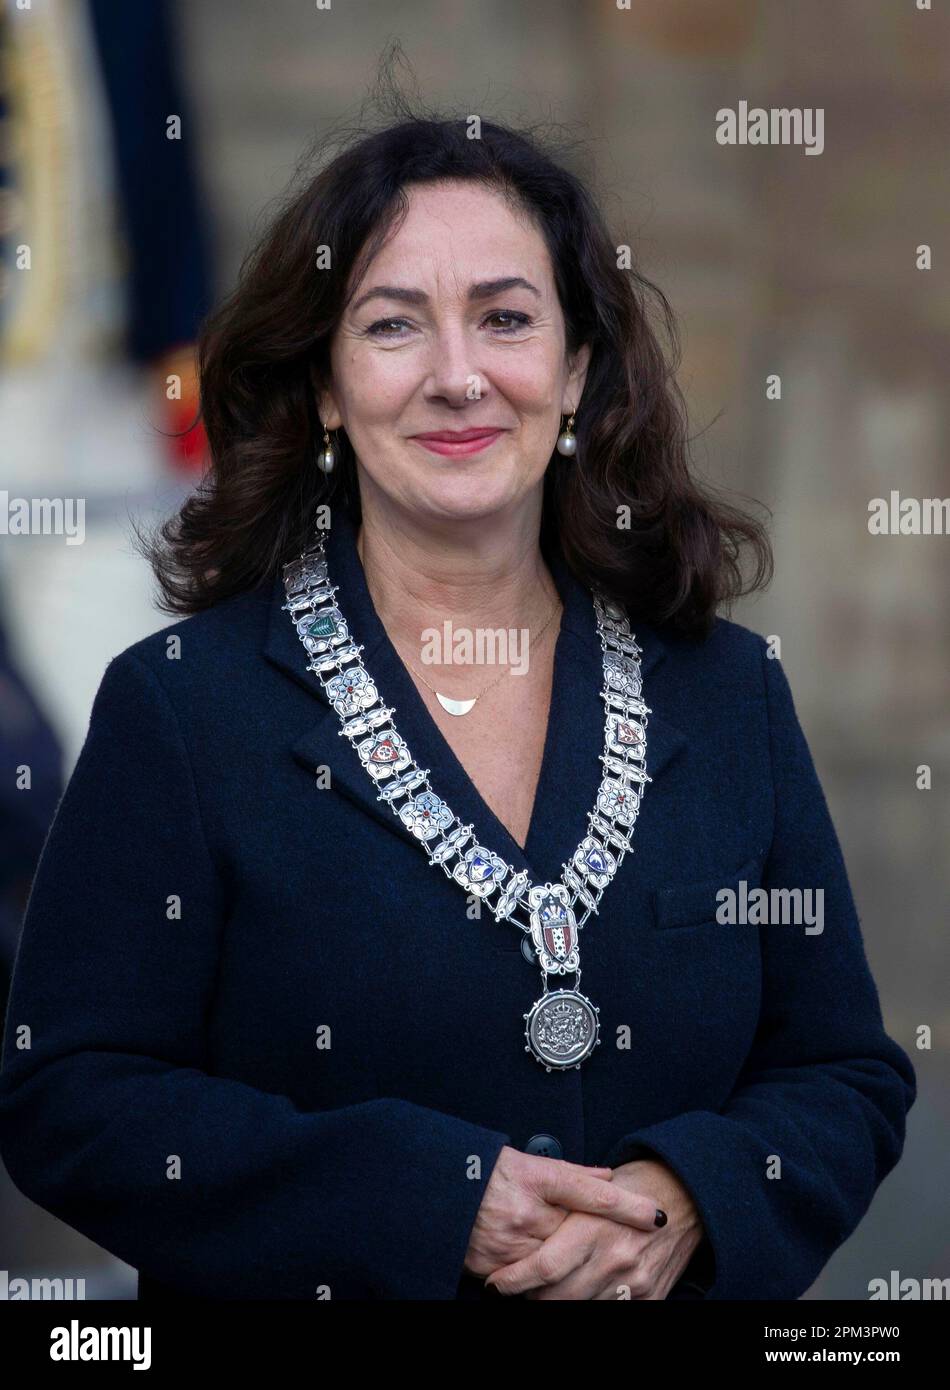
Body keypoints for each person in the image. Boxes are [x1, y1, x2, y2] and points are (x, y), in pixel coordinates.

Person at [0, 112, 915, 1301]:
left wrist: (695, 1195)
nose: (458, 374)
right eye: (392, 325)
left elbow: (841, 1072)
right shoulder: (183, 711)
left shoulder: (728, 692)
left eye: (504, 316)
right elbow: (69, 1097)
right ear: (325, 389)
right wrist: (422, 1195)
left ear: (577, 367)